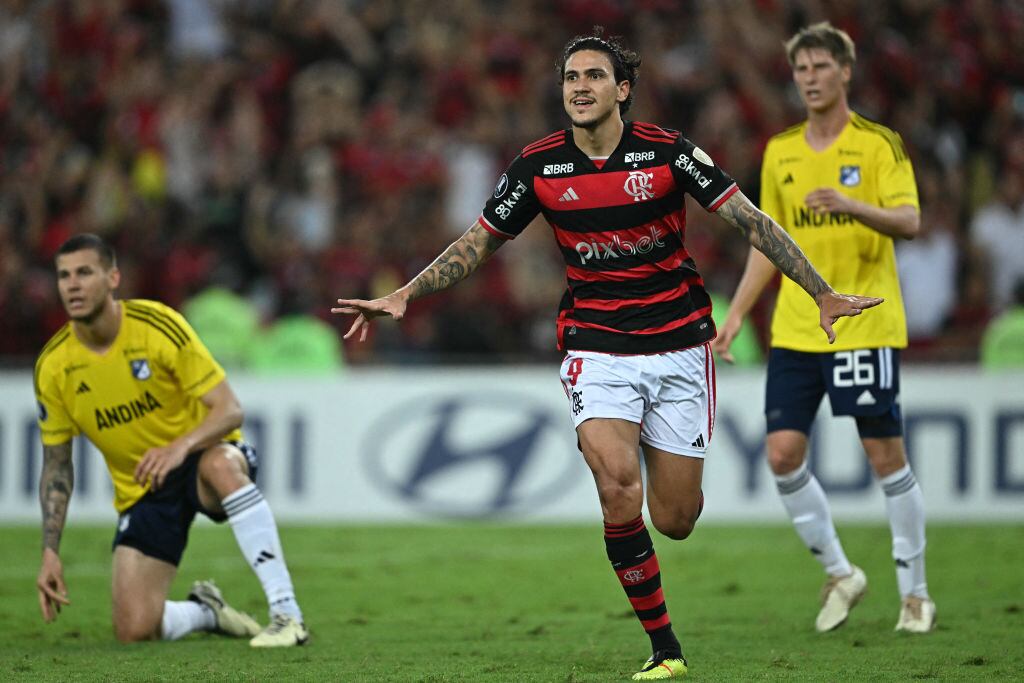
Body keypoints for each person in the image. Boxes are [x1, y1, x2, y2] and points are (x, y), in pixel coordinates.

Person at [333, 29, 881, 679]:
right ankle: (664, 647)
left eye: (593, 77)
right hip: (596, 346)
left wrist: (819, 291)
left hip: (679, 345)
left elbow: (753, 221)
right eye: (571, 78)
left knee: (675, 518)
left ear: (621, 90)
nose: (580, 88)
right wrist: (406, 293)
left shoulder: (668, 154)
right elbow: (477, 243)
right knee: (617, 484)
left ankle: (643, 451)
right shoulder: (539, 166)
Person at [713, 22, 935, 634]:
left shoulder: (878, 144)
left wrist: (851, 204)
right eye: (800, 70)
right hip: (796, 327)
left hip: (863, 322)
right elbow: (767, 244)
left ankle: (915, 593)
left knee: (883, 455)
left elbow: (911, 221)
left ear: (845, 72)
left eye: (819, 67)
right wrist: (732, 318)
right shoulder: (781, 151)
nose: (809, 79)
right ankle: (841, 573)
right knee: (782, 454)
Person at [34, 233, 309, 647]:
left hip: (200, 459)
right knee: (134, 629)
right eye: (64, 276)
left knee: (220, 464)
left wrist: (180, 447)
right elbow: (57, 465)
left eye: (84, 273)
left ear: (113, 278)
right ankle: (206, 611)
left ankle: (287, 614)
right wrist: (50, 551)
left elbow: (230, 409)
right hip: (145, 488)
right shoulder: (54, 368)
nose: (72, 285)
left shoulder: (156, 326)